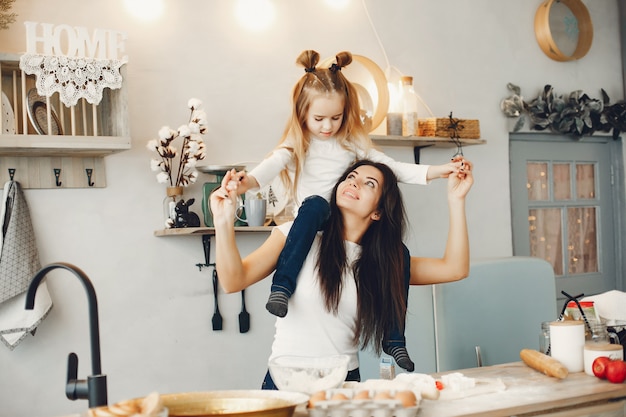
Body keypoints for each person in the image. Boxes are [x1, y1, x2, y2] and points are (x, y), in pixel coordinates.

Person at [232, 49, 465, 371]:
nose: (327, 126)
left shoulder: (353, 147)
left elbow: (392, 169)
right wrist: (245, 184)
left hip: (344, 370)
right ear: (302, 115)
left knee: (400, 252)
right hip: (313, 220)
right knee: (314, 205)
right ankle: (282, 288)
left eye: (335, 118)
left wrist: (439, 172)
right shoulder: (296, 146)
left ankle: (395, 339)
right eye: (318, 119)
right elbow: (268, 168)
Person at [210, 158, 473, 387]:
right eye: (351, 177)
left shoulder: (384, 262)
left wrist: (456, 200)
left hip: (344, 384)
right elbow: (234, 281)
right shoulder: (298, 235)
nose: (354, 184)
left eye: (370, 183)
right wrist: (223, 222)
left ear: (379, 212)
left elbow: (455, 268)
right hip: (285, 382)